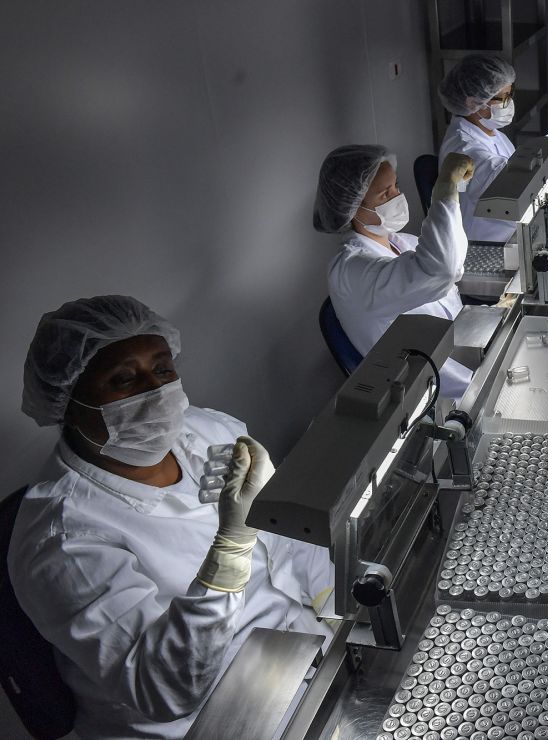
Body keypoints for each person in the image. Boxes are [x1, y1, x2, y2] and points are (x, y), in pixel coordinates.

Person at [9, 296, 334, 739]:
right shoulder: (61, 537)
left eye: (162, 369)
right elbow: (166, 689)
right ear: (68, 403)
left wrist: (335, 599)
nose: (155, 392)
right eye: (123, 379)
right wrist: (231, 550)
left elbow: (287, 543)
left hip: (293, 648)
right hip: (207, 718)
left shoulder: (205, 430)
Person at [314, 145, 476, 398]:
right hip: (443, 396)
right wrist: (445, 192)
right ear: (354, 207)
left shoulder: (403, 242)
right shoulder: (350, 271)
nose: (398, 196)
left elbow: (451, 266)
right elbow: (441, 271)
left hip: (468, 362)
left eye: (396, 186)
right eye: (385, 194)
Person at [438, 53, 548, 243]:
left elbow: (522, 167)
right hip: (489, 243)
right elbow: (514, 180)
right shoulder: (463, 148)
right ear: (473, 102)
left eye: (511, 94)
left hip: (514, 229)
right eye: (504, 98)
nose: (509, 103)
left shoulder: (489, 131)